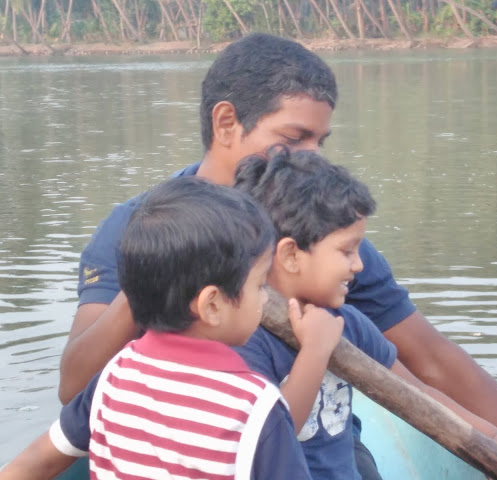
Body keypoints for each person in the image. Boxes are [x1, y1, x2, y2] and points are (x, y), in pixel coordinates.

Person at [58, 33, 497, 480]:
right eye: (295, 138)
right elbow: (73, 390)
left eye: (320, 142)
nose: (311, 158)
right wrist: (164, 269)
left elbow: (426, 356)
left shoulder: (324, 239)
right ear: (226, 123)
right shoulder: (142, 230)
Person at [232, 146, 497, 479]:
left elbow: (418, 396)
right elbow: (269, 440)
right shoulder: (245, 337)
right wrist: (314, 351)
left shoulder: (348, 324)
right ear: (291, 255)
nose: (359, 264)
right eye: (346, 250)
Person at [1, 177, 315, 480]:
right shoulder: (255, 407)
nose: (264, 298)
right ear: (212, 305)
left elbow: (34, 463)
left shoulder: (113, 376)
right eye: (260, 284)